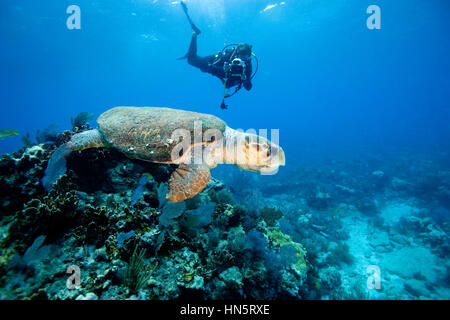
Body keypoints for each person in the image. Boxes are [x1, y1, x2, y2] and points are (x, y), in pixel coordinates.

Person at [178, 1, 254, 109]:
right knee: (191, 60)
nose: (241, 59)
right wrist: (223, 69)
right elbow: (211, 68)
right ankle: (195, 34)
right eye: (240, 56)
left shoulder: (247, 65)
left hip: (226, 79)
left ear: (248, 57)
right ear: (236, 53)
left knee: (227, 82)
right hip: (213, 62)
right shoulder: (229, 57)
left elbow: (249, 87)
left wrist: (245, 78)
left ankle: (193, 37)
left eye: (245, 57)